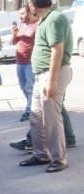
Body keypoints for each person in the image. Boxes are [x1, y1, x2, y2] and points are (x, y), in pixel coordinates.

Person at [18, 0, 73, 173]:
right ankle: (41, 155)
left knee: (51, 119)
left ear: (34, 5)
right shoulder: (45, 19)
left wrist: (52, 80)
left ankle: (59, 158)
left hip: (51, 74)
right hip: (41, 74)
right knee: (36, 117)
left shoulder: (54, 19)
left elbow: (57, 50)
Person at [12, 5, 38, 122]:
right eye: (19, 14)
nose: (20, 16)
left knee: (30, 88)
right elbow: (14, 42)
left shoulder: (37, 25)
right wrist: (14, 33)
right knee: (23, 87)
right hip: (20, 62)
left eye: (22, 14)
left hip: (30, 62)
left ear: (29, 12)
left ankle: (29, 111)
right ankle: (33, 107)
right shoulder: (22, 26)